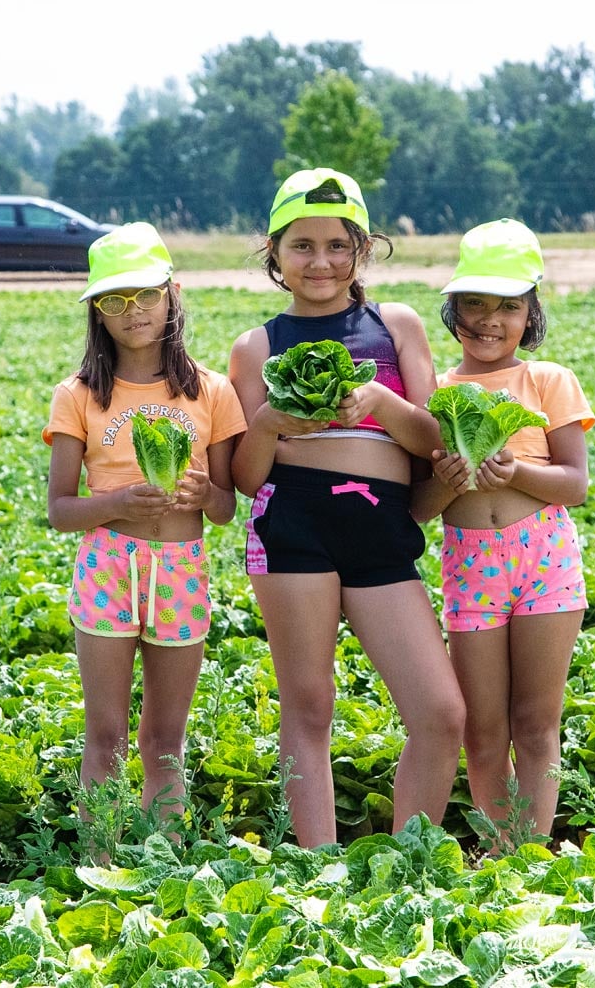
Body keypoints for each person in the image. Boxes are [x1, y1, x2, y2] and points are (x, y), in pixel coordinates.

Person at [228, 167, 465, 847]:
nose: (321, 261)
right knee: (309, 707)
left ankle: (409, 861)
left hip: (381, 530)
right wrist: (270, 425)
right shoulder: (256, 346)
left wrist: (383, 405)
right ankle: (318, 867)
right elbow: (247, 478)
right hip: (293, 525)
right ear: (274, 252)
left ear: (362, 248)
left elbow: (433, 440)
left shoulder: (395, 325)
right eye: (301, 245)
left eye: (338, 244)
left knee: (441, 711)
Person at [43, 222, 246, 822]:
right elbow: (60, 510)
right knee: (104, 738)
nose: (132, 312)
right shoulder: (78, 395)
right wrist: (117, 504)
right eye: (114, 301)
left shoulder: (212, 391)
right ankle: (98, 864)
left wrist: (205, 491)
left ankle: (165, 865)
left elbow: (227, 507)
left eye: (146, 296)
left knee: (165, 741)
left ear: (172, 295)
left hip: (181, 570)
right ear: (97, 313)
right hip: (107, 567)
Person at [411, 219, 595, 842]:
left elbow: (575, 485)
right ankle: (497, 852)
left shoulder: (548, 381)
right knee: (483, 730)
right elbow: (416, 509)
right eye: (474, 304)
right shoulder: (434, 394)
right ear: (452, 309)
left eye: (509, 307)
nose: (490, 320)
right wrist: (451, 478)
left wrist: (515, 471)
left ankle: (531, 855)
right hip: (470, 565)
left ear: (530, 313)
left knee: (537, 723)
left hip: (544, 559)